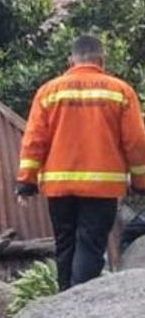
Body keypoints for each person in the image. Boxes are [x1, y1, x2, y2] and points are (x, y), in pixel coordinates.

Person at [15, 35, 145, 291]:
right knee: (90, 245)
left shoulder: (49, 92)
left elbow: (34, 140)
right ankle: (77, 304)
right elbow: (136, 143)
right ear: (102, 60)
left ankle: (64, 301)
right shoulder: (119, 91)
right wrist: (141, 182)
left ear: (71, 60)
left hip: (59, 188)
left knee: (65, 246)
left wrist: (26, 180)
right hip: (102, 188)